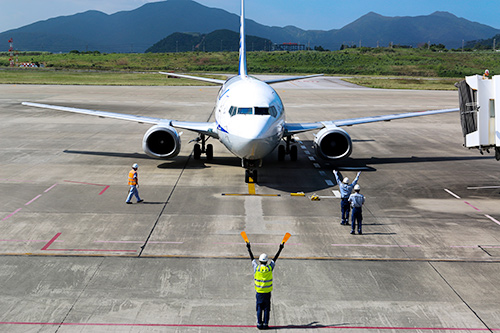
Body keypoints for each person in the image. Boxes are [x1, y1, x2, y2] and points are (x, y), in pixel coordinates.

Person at [246, 241, 284, 330]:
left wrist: (249, 249)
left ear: (259, 261)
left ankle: (259, 324)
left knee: (259, 308)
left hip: (259, 292)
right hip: (267, 293)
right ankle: (266, 324)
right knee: (267, 309)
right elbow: (275, 259)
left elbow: (252, 259)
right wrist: (280, 249)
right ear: (267, 261)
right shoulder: (269, 268)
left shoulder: (257, 268)